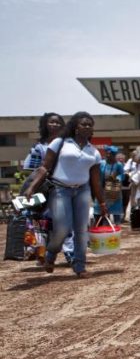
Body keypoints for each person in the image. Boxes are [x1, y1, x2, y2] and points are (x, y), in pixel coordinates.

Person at [23, 111, 107, 277]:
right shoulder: (60, 143)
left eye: (90, 125)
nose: (88, 127)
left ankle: (79, 266)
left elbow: (96, 181)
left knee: (81, 230)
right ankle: (50, 254)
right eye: (84, 124)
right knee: (62, 228)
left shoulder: (94, 152)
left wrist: (102, 203)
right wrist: (31, 187)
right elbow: (44, 167)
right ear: (76, 127)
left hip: (83, 191)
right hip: (60, 190)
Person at [22, 112, 75, 264]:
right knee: (43, 222)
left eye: (58, 122)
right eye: (51, 122)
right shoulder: (39, 146)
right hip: (44, 188)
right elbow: (30, 170)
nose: (55, 125)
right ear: (45, 124)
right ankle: (41, 253)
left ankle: (70, 254)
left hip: (65, 187)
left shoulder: (68, 144)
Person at [93, 146, 124, 225]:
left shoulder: (119, 165)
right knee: (103, 212)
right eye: (107, 154)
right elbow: (98, 176)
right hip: (103, 191)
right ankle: (105, 230)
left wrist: (115, 179)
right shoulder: (102, 164)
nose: (108, 156)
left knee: (116, 214)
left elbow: (122, 176)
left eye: (111, 154)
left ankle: (117, 229)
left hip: (114, 191)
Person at [118, 151, 132, 222]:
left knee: (125, 203)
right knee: (119, 203)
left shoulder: (127, 166)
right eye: (119, 158)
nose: (121, 159)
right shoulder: (116, 166)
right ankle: (118, 218)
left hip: (127, 187)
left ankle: (123, 217)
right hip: (119, 188)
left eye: (122, 158)